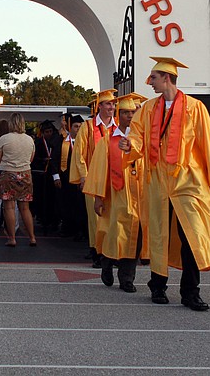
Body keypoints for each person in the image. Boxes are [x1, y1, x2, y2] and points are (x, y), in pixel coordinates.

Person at [119, 57, 210, 311]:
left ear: (167, 78)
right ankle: (157, 286)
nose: (150, 82)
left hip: (189, 181)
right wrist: (130, 145)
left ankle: (190, 292)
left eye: (154, 78)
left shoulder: (195, 107)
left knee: (192, 234)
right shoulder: (147, 109)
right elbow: (137, 137)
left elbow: (208, 142)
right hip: (159, 179)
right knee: (159, 234)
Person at [84, 93, 148, 292]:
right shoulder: (107, 142)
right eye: (125, 112)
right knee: (115, 234)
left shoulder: (143, 141)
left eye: (133, 112)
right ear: (118, 115)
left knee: (135, 237)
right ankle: (106, 262)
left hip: (139, 197)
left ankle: (127, 278)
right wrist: (97, 198)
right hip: (115, 197)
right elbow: (99, 172)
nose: (130, 116)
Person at [70, 89, 117, 267]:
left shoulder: (117, 127)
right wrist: (84, 176)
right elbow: (79, 153)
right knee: (95, 217)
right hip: (93, 178)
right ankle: (97, 252)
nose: (111, 107)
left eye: (113, 104)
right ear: (100, 106)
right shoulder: (88, 126)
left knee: (113, 216)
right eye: (107, 103)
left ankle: (112, 252)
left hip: (114, 179)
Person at [0, 112, 36, 247]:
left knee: (9, 207)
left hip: (8, 173)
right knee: (25, 208)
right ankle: (32, 237)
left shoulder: (4, 139)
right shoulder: (30, 139)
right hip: (25, 174)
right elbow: (31, 158)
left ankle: (12, 238)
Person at [56, 114, 85, 239]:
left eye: (80, 126)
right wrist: (56, 176)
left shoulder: (85, 143)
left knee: (80, 206)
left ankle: (80, 231)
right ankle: (68, 228)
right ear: (70, 127)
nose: (78, 129)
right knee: (67, 204)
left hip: (81, 180)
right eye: (76, 126)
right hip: (66, 179)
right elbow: (55, 160)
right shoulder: (62, 142)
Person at [31, 119, 61, 235]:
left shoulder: (56, 141)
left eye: (50, 131)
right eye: (46, 132)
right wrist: (43, 160)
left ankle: (54, 220)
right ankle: (43, 219)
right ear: (42, 133)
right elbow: (33, 159)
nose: (49, 134)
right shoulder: (38, 143)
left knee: (53, 199)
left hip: (52, 176)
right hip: (40, 175)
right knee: (41, 198)